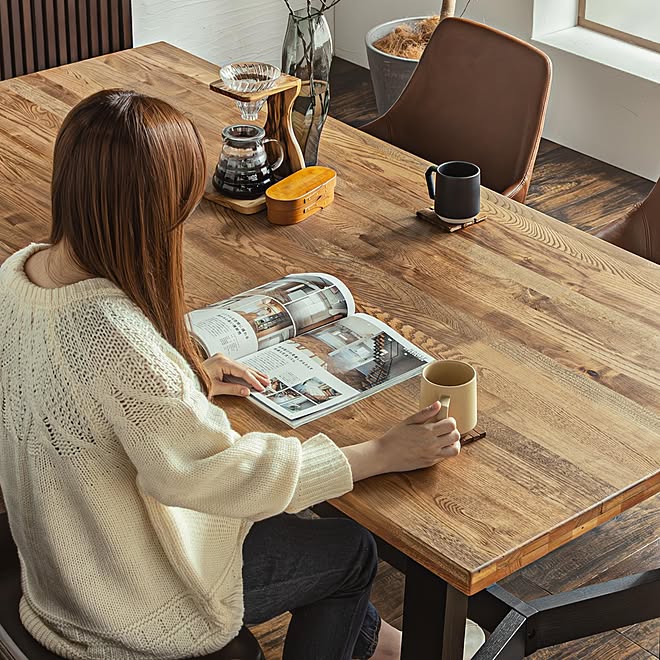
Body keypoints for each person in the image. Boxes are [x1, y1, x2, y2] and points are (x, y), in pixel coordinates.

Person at [0, 89, 461, 660]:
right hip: (124, 607)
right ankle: (377, 638)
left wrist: (185, 378)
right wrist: (377, 453)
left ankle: (371, 640)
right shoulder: (113, 336)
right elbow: (210, 475)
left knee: (301, 531)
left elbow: (80, 402)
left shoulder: (17, 275)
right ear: (152, 208)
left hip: (64, 571)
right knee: (352, 551)